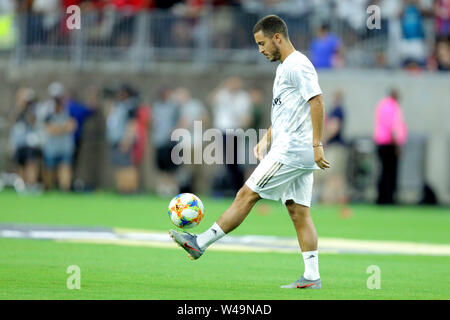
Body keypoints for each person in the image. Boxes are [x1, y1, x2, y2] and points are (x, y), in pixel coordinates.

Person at [170, 15, 330, 289]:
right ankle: (312, 276)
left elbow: (316, 101)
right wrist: (266, 137)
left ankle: (200, 243)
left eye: (261, 43)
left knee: (247, 194)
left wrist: (317, 144)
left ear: (277, 37)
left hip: (292, 149)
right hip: (293, 148)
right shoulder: (284, 67)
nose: (260, 49)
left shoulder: (297, 65)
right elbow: (288, 111)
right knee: (298, 212)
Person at [373, 89, 408, 204]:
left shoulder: (382, 105)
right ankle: (389, 199)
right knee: (390, 173)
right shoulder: (393, 106)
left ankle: (381, 198)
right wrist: (397, 146)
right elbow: (393, 127)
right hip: (390, 144)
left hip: (380, 142)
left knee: (383, 171)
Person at [106, 84, 139, 194]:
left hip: (124, 140)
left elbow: (132, 124)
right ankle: (121, 188)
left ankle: (130, 189)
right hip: (116, 139)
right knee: (119, 165)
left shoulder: (130, 106)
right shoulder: (119, 105)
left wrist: (127, 140)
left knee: (127, 165)